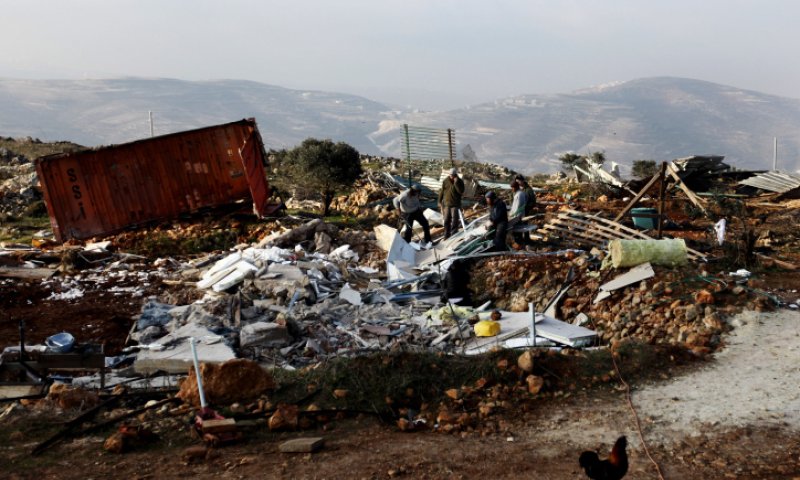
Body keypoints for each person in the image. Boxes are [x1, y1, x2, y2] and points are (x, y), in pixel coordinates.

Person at [438, 167, 465, 239]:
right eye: (450, 175)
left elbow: (460, 192)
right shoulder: (445, 181)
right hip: (447, 204)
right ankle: (446, 235)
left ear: (455, 175)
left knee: (454, 221)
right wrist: (439, 201)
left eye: (453, 175)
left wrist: (456, 183)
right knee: (446, 220)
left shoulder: (459, 181)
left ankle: (454, 236)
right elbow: (442, 191)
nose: (451, 177)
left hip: (455, 205)